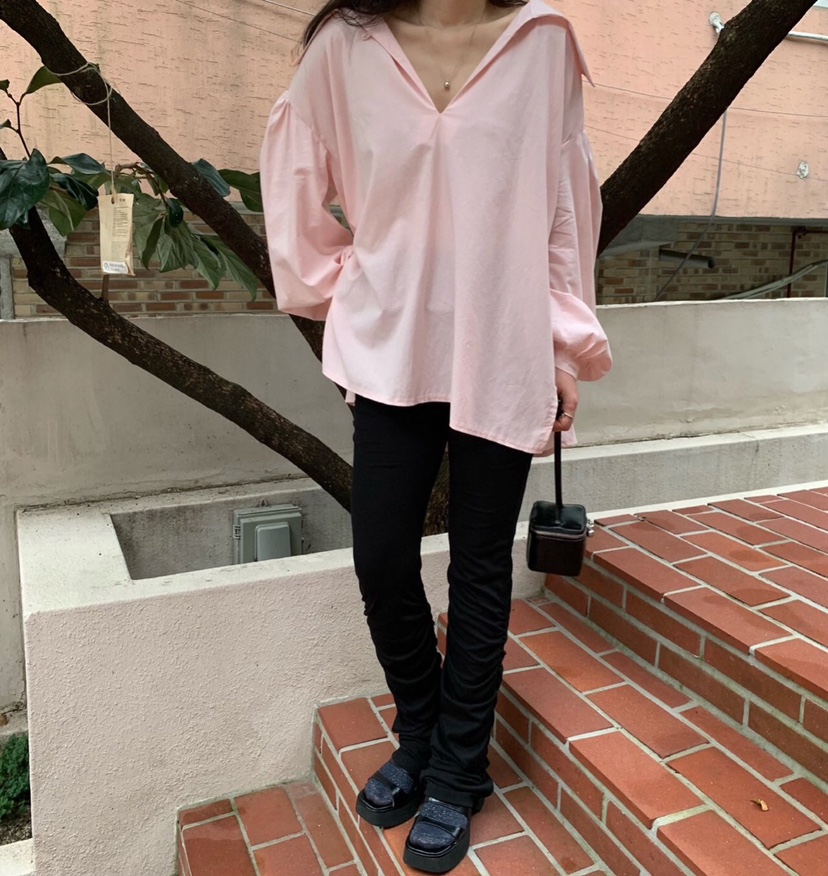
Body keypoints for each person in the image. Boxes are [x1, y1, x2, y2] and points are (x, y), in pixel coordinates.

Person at [260, 0, 612, 870]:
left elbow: (563, 207)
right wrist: (351, 293)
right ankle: (419, 732)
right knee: (380, 556)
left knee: (479, 566)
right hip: (392, 352)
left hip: (504, 346)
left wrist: (562, 348)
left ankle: (457, 771)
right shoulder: (344, 46)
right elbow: (296, 177)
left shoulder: (542, 41)